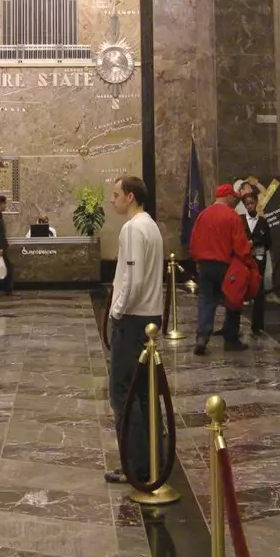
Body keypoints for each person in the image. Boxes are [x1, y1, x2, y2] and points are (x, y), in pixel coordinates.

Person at [105, 176, 165, 486]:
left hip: (131, 319)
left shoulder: (132, 228)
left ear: (130, 197)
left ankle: (135, 465)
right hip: (150, 316)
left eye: (116, 195)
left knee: (124, 395)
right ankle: (151, 457)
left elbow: (132, 278)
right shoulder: (151, 226)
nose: (112, 199)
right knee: (144, 394)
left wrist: (116, 311)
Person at [189, 183, 253, 355]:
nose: (234, 199)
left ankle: (202, 337)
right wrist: (248, 262)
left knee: (206, 300)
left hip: (204, 265)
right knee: (233, 300)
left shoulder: (203, 215)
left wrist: (197, 260)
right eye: (233, 197)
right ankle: (231, 339)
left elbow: (193, 241)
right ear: (228, 196)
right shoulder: (232, 216)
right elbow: (240, 246)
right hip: (226, 265)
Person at [241, 187, 270, 336]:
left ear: (256, 203)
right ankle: (235, 325)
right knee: (240, 290)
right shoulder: (240, 220)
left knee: (258, 290)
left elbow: (269, 242)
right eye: (247, 204)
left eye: (252, 203)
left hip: (259, 259)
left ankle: (257, 325)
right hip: (244, 259)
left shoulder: (263, 222)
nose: (250, 206)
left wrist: (256, 242)